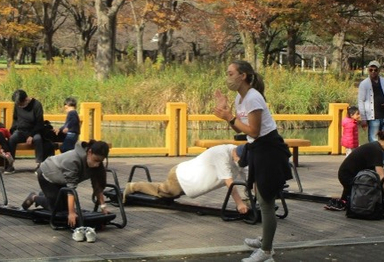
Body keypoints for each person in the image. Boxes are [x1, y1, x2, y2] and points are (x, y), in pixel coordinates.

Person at [214, 61, 291, 262]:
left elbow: (255, 132)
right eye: (227, 73)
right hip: (258, 149)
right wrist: (226, 115)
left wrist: (229, 117)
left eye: (231, 73)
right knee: (260, 195)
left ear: (244, 76)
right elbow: (240, 129)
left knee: (266, 202)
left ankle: (266, 251)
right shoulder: (240, 98)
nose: (228, 77)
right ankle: (266, 240)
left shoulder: (253, 98)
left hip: (269, 150)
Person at [122, 143, 249, 214]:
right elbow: (229, 182)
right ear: (235, 154)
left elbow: (249, 178)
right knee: (165, 192)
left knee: (171, 195)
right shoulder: (221, 154)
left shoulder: (242, 156)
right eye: (240, 161)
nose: (240, 164)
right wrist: (239, 203)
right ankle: (133, 186)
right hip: (181, 177)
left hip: (191, 182)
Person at [20, 140, 110, 229]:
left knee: (64, 207)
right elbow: (71, 189)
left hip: (62, 179)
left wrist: (103, 207)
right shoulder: (73, 160)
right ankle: (34, 197)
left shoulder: (96, 164)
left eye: (100, 161)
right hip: (47, 174)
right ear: (89, 152)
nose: (97, 164)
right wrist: (71, 213)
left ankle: (47, 195)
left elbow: (98, 186)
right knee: (57, 209)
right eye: (96, 160)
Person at [326, 130, 384, 212]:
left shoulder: (374, 146)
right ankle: (347, 201)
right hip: (349, 176)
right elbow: (381, 176)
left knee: (379, 189)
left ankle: (344, 199)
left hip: (346, 173)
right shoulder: (377, 150)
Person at [357, 60, 384, 171]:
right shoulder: (364, 84)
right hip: (373, 116)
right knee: (374, 141)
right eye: (371, 70)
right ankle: (374, 163)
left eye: (375, 70)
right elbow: (361, 101)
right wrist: (363, 118)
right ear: (368, 70)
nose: (373, 72)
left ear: (379, 71)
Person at [6, 89, 50, 174]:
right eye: (18, 104)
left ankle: (39, 165)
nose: (19, 106)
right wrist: (12, 130)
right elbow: (15, 119)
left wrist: (31, 135)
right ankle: (10, 164)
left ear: (26, 99)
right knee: (12, 139)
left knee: (38, 139)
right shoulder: (17, 105)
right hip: (21, 131)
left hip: (34, 131)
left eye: (21, 104)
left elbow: (39, 123)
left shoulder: (37, 105)